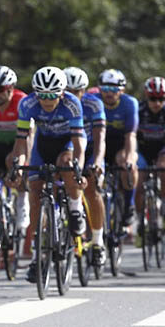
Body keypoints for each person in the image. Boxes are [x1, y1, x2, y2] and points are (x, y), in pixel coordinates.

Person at [10, 66, 87, 282]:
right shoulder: (28, 104)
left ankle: (74, 208)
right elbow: (21, 139)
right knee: (35, 190)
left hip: (66, 144)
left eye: (52, 95)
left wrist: (78, 166)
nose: (46, 100)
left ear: (61, 93)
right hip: (42, 146)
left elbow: (79, 141)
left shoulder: (72, 103)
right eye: (42, 95)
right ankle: (36, 257)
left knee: (67, 164)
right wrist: (19, 164)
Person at [63, 66, 107, 265]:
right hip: (67, 147)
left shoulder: (94, 104)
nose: (73, 96)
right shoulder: (57, 102)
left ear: (84, 90)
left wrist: (98, 161)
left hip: (89, 149)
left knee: (92, 189)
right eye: (69, 91)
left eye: (77, 92)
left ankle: (98, 241)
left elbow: (100, 138)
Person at [135, 77, 165, 238]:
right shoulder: (139, 110)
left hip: (164, 146)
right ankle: (142, 221)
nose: (157, 103)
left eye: (161, 99)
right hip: (143, 148)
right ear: (146, 96)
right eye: (152, 99)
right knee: (139, 181)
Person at [0, 65, 30, 235]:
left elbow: (28, 138)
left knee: (15, 164)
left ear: (11, 87)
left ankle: (22, 201)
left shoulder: (22, 102)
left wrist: (24, 164)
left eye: (0, 89)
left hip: (17, 145)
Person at [94, 69, 139, 227]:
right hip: (99, 142)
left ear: (122, 90)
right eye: (105, 89)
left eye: (113, 89)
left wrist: (129, 157)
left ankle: (129, 204)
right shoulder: (94, 101)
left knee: (128, 166)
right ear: (99, 89)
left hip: (121, 142)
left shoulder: (129, 103)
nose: (109, 93)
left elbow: (131, 135)